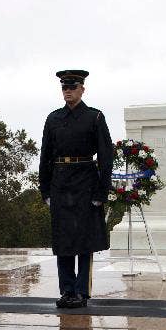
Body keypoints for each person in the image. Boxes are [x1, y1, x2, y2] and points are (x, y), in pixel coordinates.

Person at [38, 69, 114, 309]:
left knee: (84, 239)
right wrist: (45, 190)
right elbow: (45, 156)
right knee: (63, 238)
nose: (68, 91)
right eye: (64, 87)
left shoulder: (95, 117)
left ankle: (81, 291)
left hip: (85, 182)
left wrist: (102, 192)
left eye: (72, 87)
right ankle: (67, 290)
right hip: (60, 182)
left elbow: (105, 156)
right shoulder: (53, 119)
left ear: (82, 89)